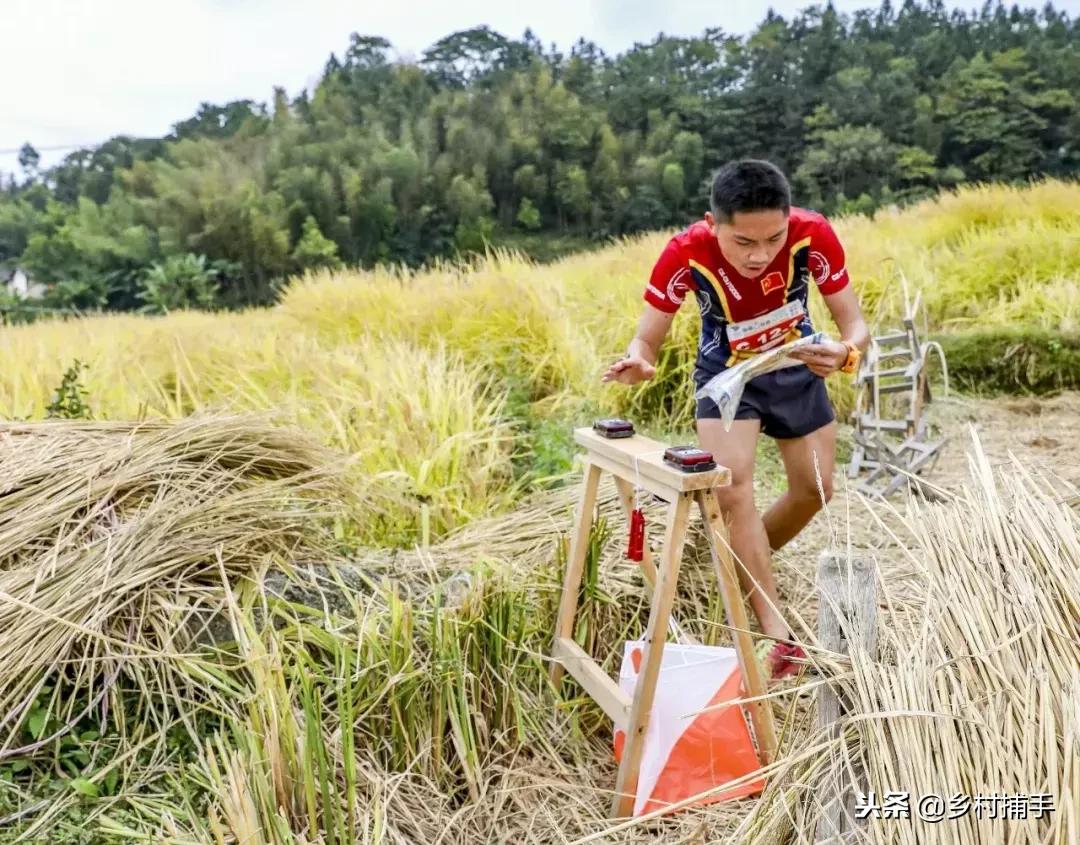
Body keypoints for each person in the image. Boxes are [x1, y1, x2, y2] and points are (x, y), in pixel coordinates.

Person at [601, 159, 869, 680]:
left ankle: (737, 567)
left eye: (772, 238)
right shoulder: (685, 251)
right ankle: (776, 631)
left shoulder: (813, 235)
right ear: (712, 223)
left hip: (795, 364)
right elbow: (647, 338)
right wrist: (640, 361)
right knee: (730, 490)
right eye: (743, 243)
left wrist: (845, 354)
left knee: (816, 489)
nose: (760, 255)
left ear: (789, 221)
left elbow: (854, 325)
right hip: (726, 380)